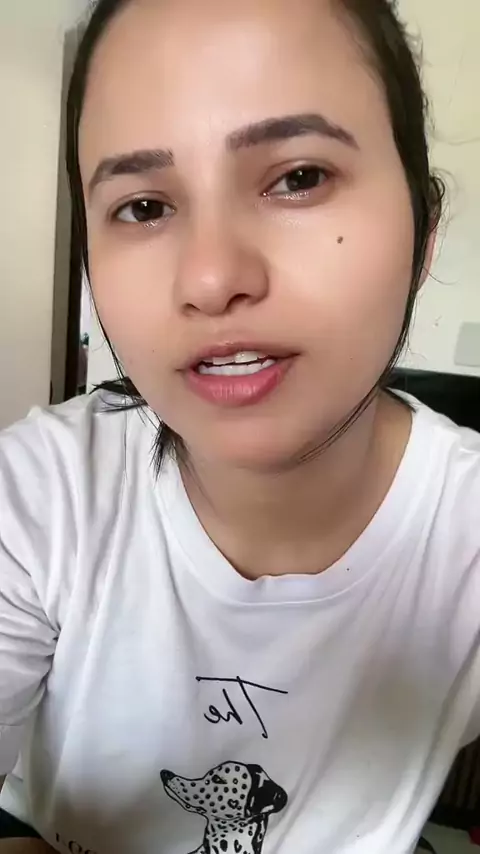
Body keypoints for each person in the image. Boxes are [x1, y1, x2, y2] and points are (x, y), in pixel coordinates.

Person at [0, 0, 478, 851]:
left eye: (299, 177)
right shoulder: (35, 499)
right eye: (144, 207)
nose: (211, 278)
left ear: (424, 229)